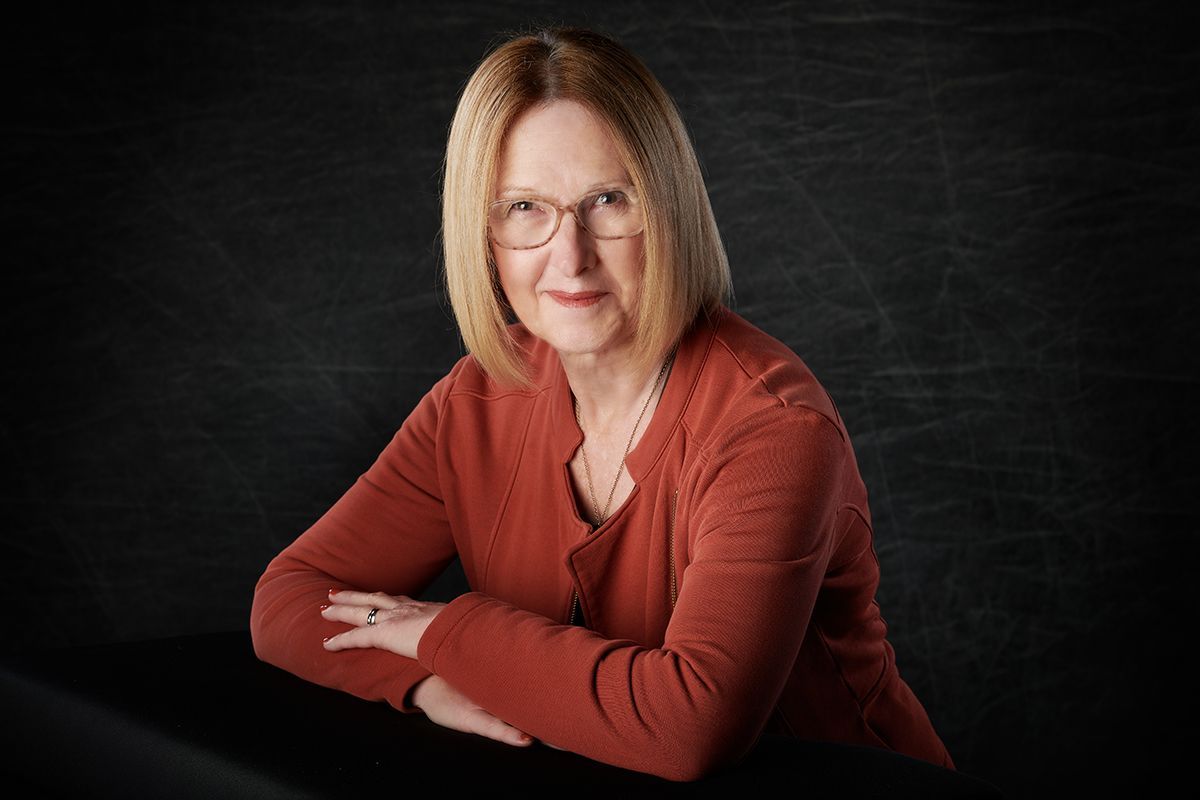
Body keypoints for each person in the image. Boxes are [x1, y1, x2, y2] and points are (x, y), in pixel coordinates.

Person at [250, 26, 953, 782]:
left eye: (609, 200)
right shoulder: (479, 398)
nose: (570, 255)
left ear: (671, 208)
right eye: (524, 208)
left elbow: (686, 728)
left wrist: (444, 633)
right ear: (481, 232)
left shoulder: (774, 431)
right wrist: (426, 684)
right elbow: (288, 600)